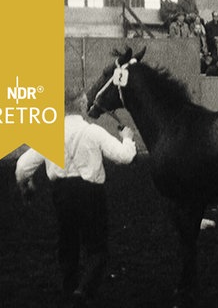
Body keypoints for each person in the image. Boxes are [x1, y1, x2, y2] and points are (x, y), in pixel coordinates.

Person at [15, 89, 137, 306]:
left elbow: (23, 167)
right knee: (97, 248)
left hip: (61, 193)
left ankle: (69, 289)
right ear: (81, 105)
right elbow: (125, 157)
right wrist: (127, 139)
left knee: (67, 244)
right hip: (91, 194)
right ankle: (83, 291)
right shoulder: (93, 132)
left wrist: (27, 186)